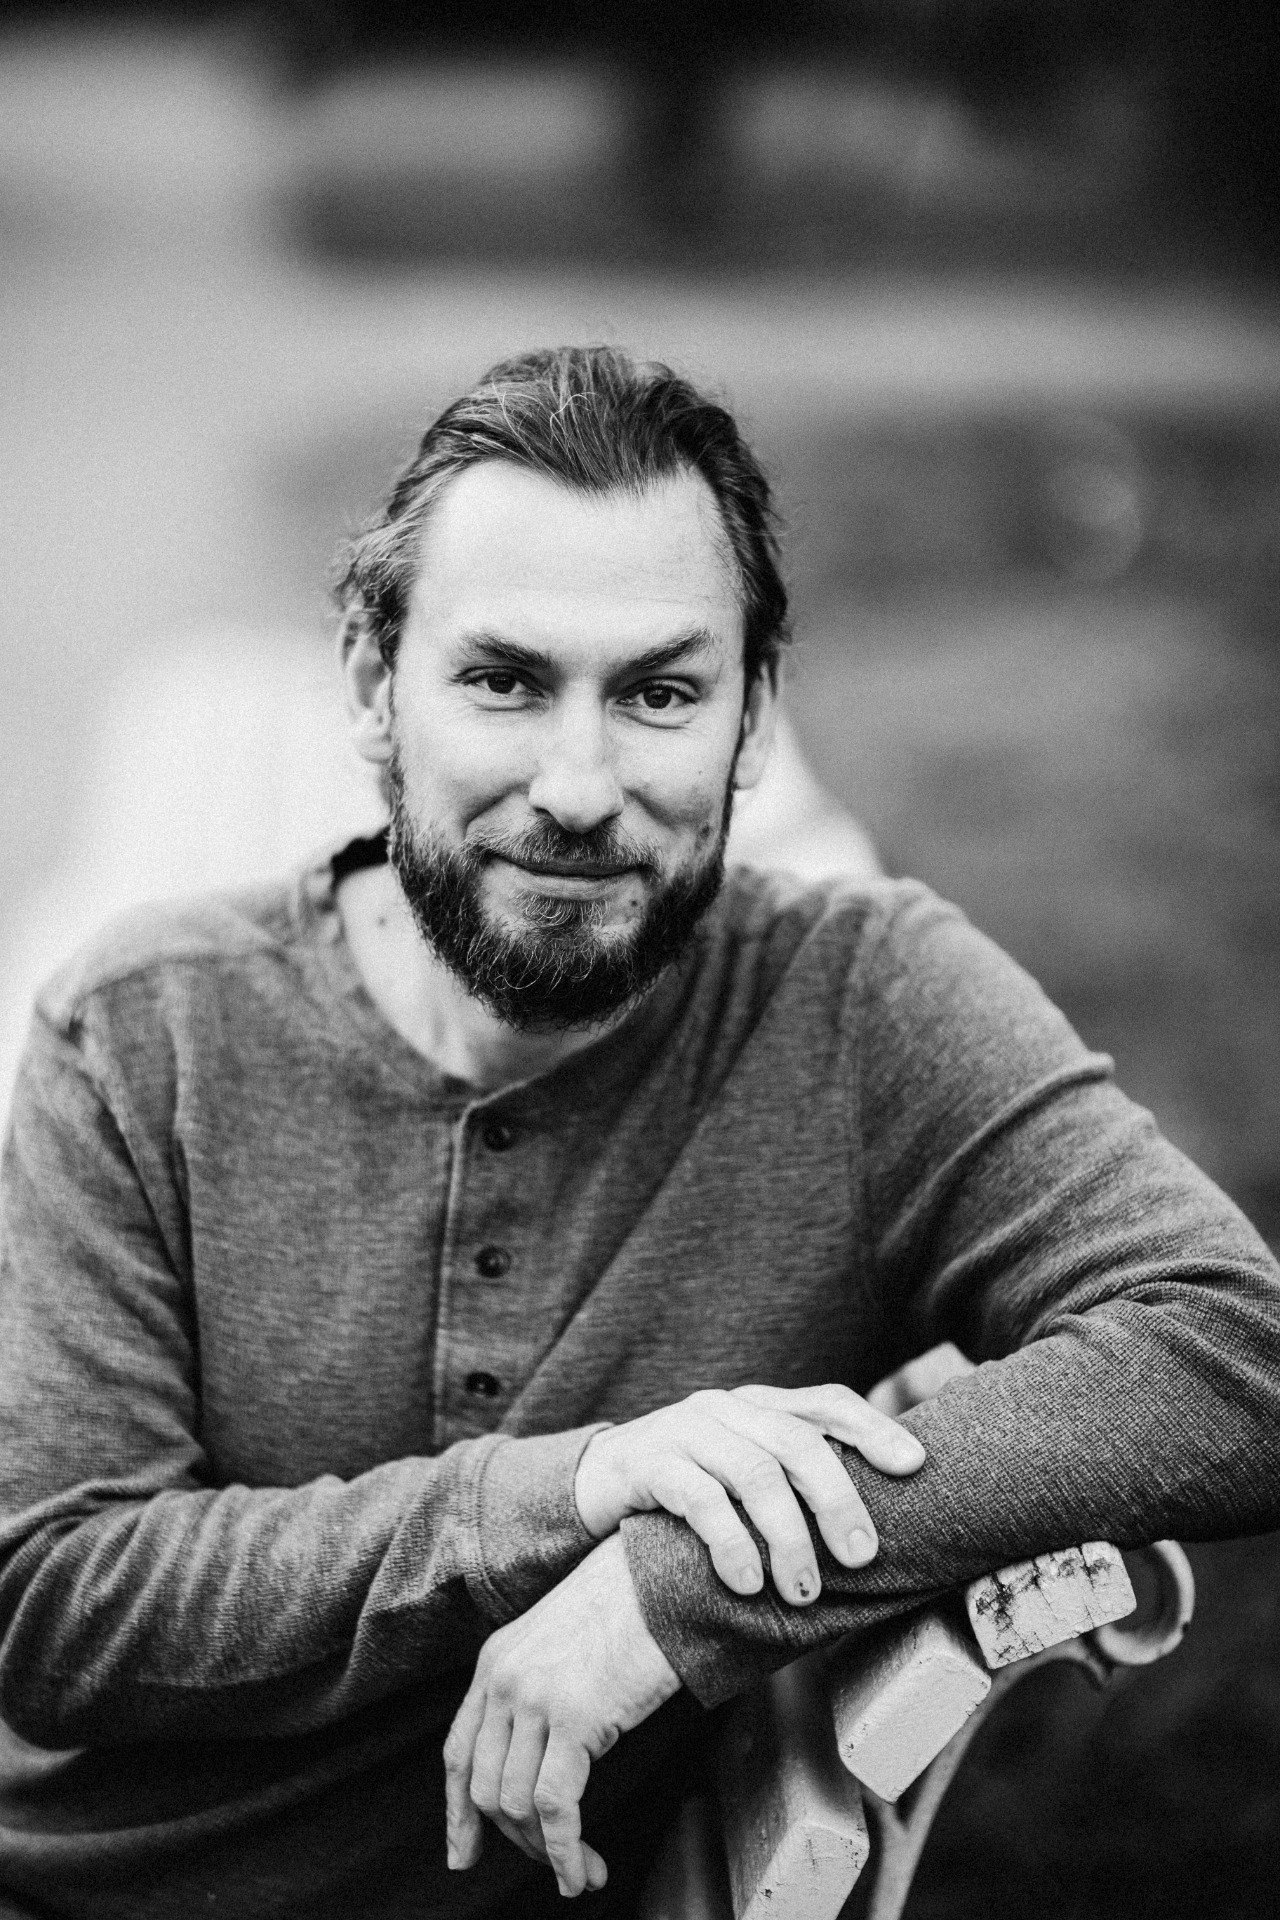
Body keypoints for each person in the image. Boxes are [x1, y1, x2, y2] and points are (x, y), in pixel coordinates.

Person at [0, 346, 1277, 1920]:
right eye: (504, 681)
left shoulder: (861, 1010)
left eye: (660, 693)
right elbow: (51, 1600)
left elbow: (1234, 1354)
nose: (580, 787)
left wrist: (672, 1593)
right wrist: (576, 1491)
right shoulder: (143, 1029)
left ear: (754, 720)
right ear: (372, 687)